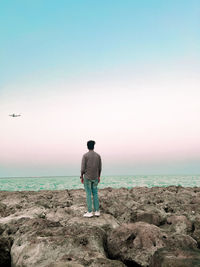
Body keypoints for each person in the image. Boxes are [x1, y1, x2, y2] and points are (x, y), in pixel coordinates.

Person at [80, 140, 102, 217]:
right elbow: (100, 168)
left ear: (87, 146)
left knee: (88, 193)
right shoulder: (98, 156)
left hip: (87, 177)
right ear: (93, 146)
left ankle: (89, 212)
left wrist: (81, 176)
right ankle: (97, 211)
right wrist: (99, 176)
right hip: (95, 176)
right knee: (95, 193)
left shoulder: (85, 156)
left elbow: (83, 168)